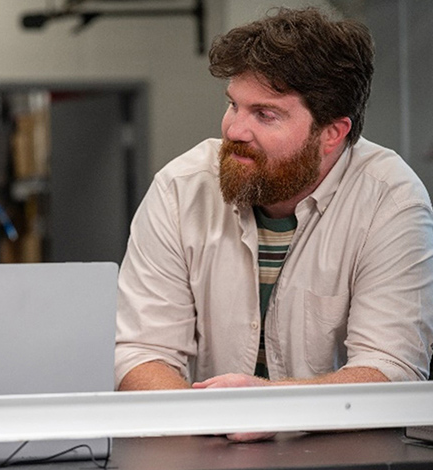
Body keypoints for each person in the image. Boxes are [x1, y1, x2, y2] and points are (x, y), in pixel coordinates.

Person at [115, 7, 433, 441]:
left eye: (265, 115)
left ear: (331, 133)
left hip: (345, 465)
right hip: (205, 454)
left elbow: (392, 370)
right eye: (234, 105)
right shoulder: (180, 189)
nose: (235, 130)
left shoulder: (390, 200)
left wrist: (273, 403)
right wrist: (204, 424)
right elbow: (140, 352)